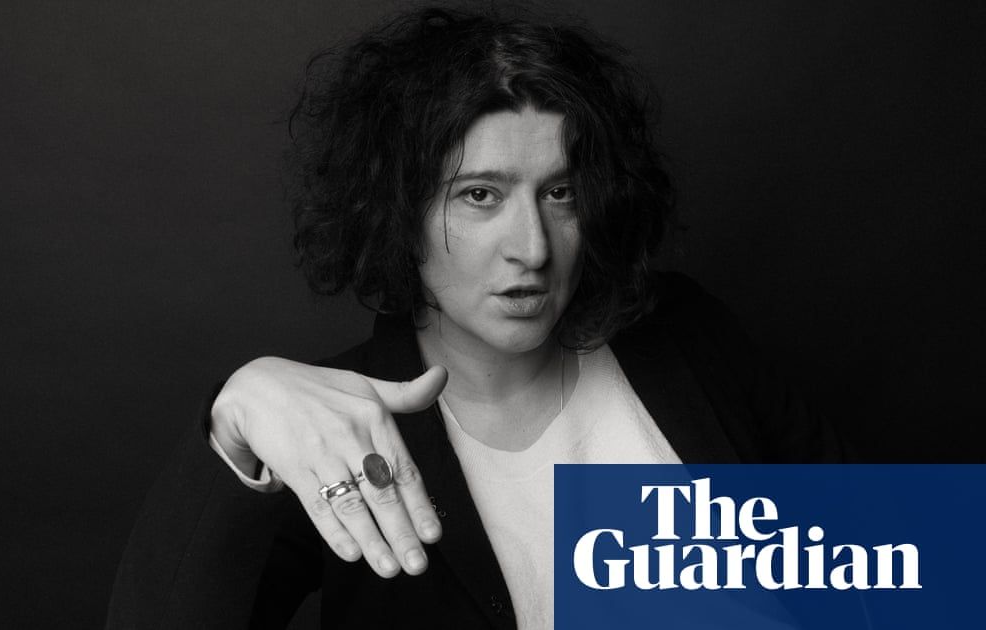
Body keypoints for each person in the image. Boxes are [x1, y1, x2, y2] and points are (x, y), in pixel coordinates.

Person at [106, 6, 844, 629]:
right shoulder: (334, 434)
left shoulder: (681, 329)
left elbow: (863, 557)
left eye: (559, 193)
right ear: (399, 213)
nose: (533, 248)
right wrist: (234, 424)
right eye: (480, 196)